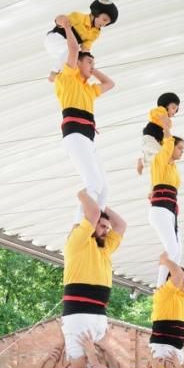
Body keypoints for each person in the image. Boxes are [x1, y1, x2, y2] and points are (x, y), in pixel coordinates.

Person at [54, 17, 115, 224]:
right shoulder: (67, 78)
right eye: (89, 63)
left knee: (104, 188)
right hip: (75, 135)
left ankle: (96, 225)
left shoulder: (88, 90)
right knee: (93, 183)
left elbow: (110, 83)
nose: (92, 66)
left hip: (87, 138)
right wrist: (68, 27)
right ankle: (80, 227)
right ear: (76, 62)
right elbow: (72, 48)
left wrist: (90, 64)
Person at [62, 190, 126, 367]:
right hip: (79, 313)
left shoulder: (105, 249)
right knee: (79, 367)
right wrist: (83, 194)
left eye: (107, 227)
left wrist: (104, 205)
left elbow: (121, 225)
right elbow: (93, 213)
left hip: (99, 314)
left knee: (98, 367)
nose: (106, 230)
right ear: (89, 225)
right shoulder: (78, 242)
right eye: (102, 226)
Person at [45, 0, 118, 80]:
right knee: (75, 49)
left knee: (78, 57)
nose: (104, 24)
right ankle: (54, 72)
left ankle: (63, 75)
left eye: (107, 23)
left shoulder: (96, 33)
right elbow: (60, 21)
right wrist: (60, 19)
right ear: (96, 13)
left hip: (62, 52)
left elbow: (85, 49)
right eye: (104, 20)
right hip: (55, 39)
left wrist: (87, 64)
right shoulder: (78, 17)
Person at [148, 131, 184, 288]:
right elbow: (168, 142)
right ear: (170, 147)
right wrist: (167, 127)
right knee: (172, 248)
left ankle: (169, 284)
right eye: (180, 148)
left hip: (170, 211)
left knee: (178, 251)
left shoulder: (173, 167)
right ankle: (160, 287)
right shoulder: (160, 160)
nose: (182, 151)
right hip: (160, 210)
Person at [149, 254, 184, 363]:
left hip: (175, 346)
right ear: (170, 279)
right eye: (183, 278)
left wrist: (178, 266)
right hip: (163, 345)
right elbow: (179, 276)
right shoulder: (163, 292)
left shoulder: (182, 295)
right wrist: (165, 260)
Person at [136, 92, 180, 176]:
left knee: (158, 158)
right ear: (166, 106)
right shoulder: (160, 111)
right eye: (173, 108)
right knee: (161, 155)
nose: (174, 112)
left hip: (154, 138)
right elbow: (154, 113)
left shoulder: (165, 120)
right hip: (150, 136)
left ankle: (142, 161)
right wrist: (163, 117)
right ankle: (142, 161)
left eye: (176, 110)